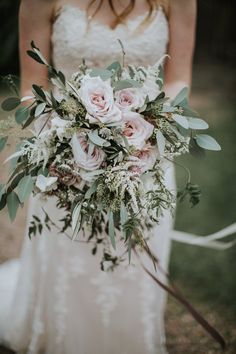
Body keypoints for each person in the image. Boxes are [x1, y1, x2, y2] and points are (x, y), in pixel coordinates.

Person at [0, 1, 196, 353]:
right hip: (66, 159)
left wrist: (145, 136)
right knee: (69, 253)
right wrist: (61, 142)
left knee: (133, 259)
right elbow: (32, 86)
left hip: (145, 156)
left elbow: (179, 76)